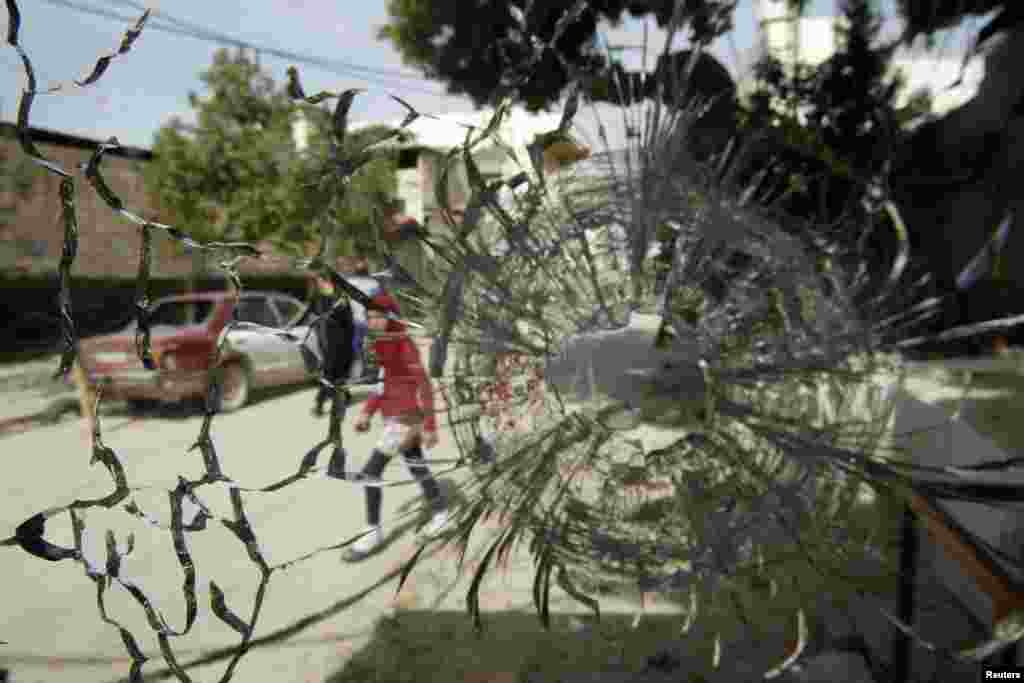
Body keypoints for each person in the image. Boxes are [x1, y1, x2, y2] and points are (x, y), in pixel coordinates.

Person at [343, 290, 450, 562]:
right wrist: (367, 411)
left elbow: (424, 384)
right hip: (392, 415)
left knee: (370, 471)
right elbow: (382, 382)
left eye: (379, 316)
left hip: (406, 418)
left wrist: (430, 426)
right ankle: (440, 512)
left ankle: (372, 533)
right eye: (369, 316)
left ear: (391, 316)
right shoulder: (382, 342)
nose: (373, 322)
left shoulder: (404, 344)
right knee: (415, 464)